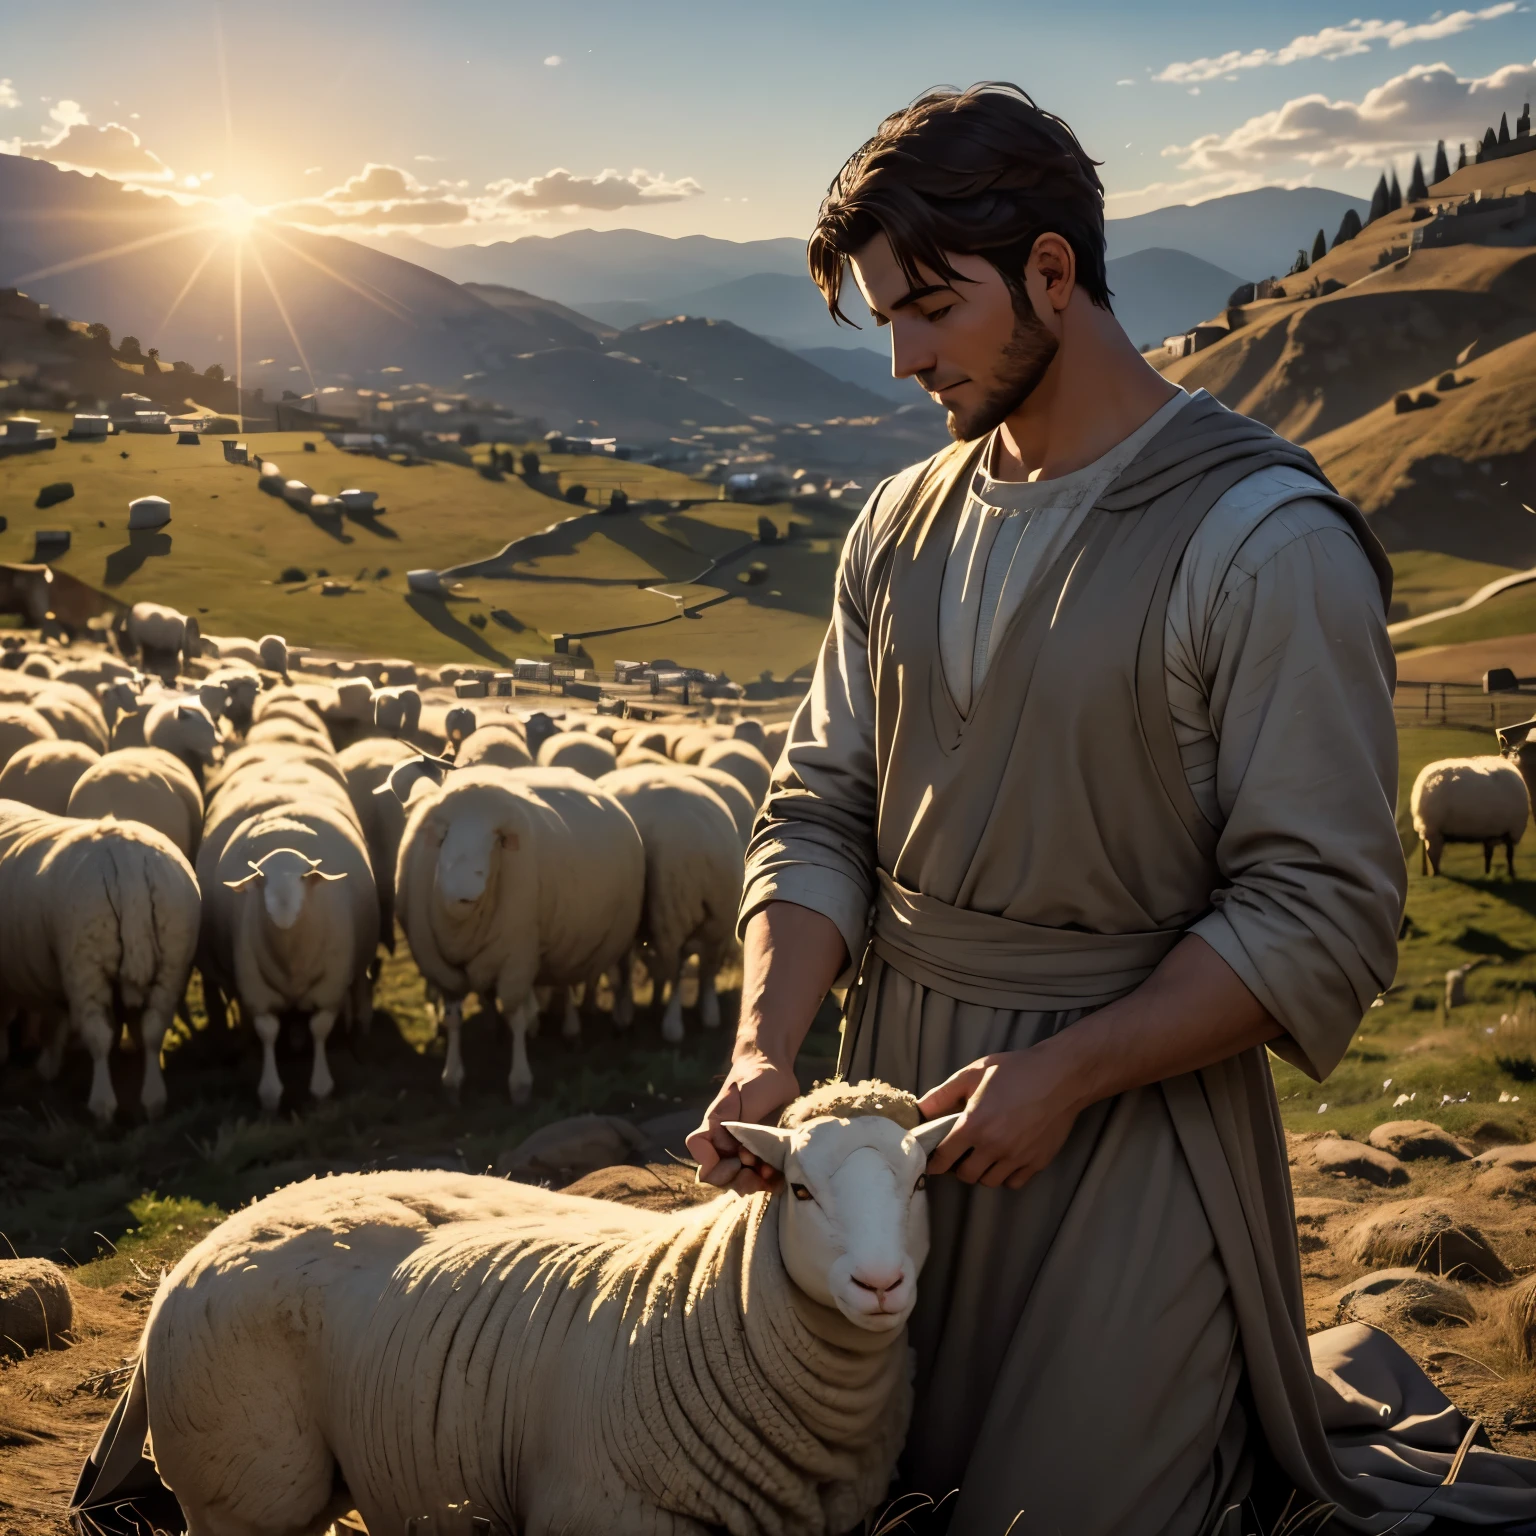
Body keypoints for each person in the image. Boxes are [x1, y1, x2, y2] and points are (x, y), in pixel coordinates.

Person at [687, 83, 1536, 1535]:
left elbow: (1320, 910)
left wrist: (1067, 1076)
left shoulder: (1263, 540)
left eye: (932, 309)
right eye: (884, 318)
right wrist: (770, 1054)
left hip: (1133, 1141)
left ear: (1053, 273)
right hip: (894, 1135)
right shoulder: (896, 529)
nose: (902, 360)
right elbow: (821, 806)